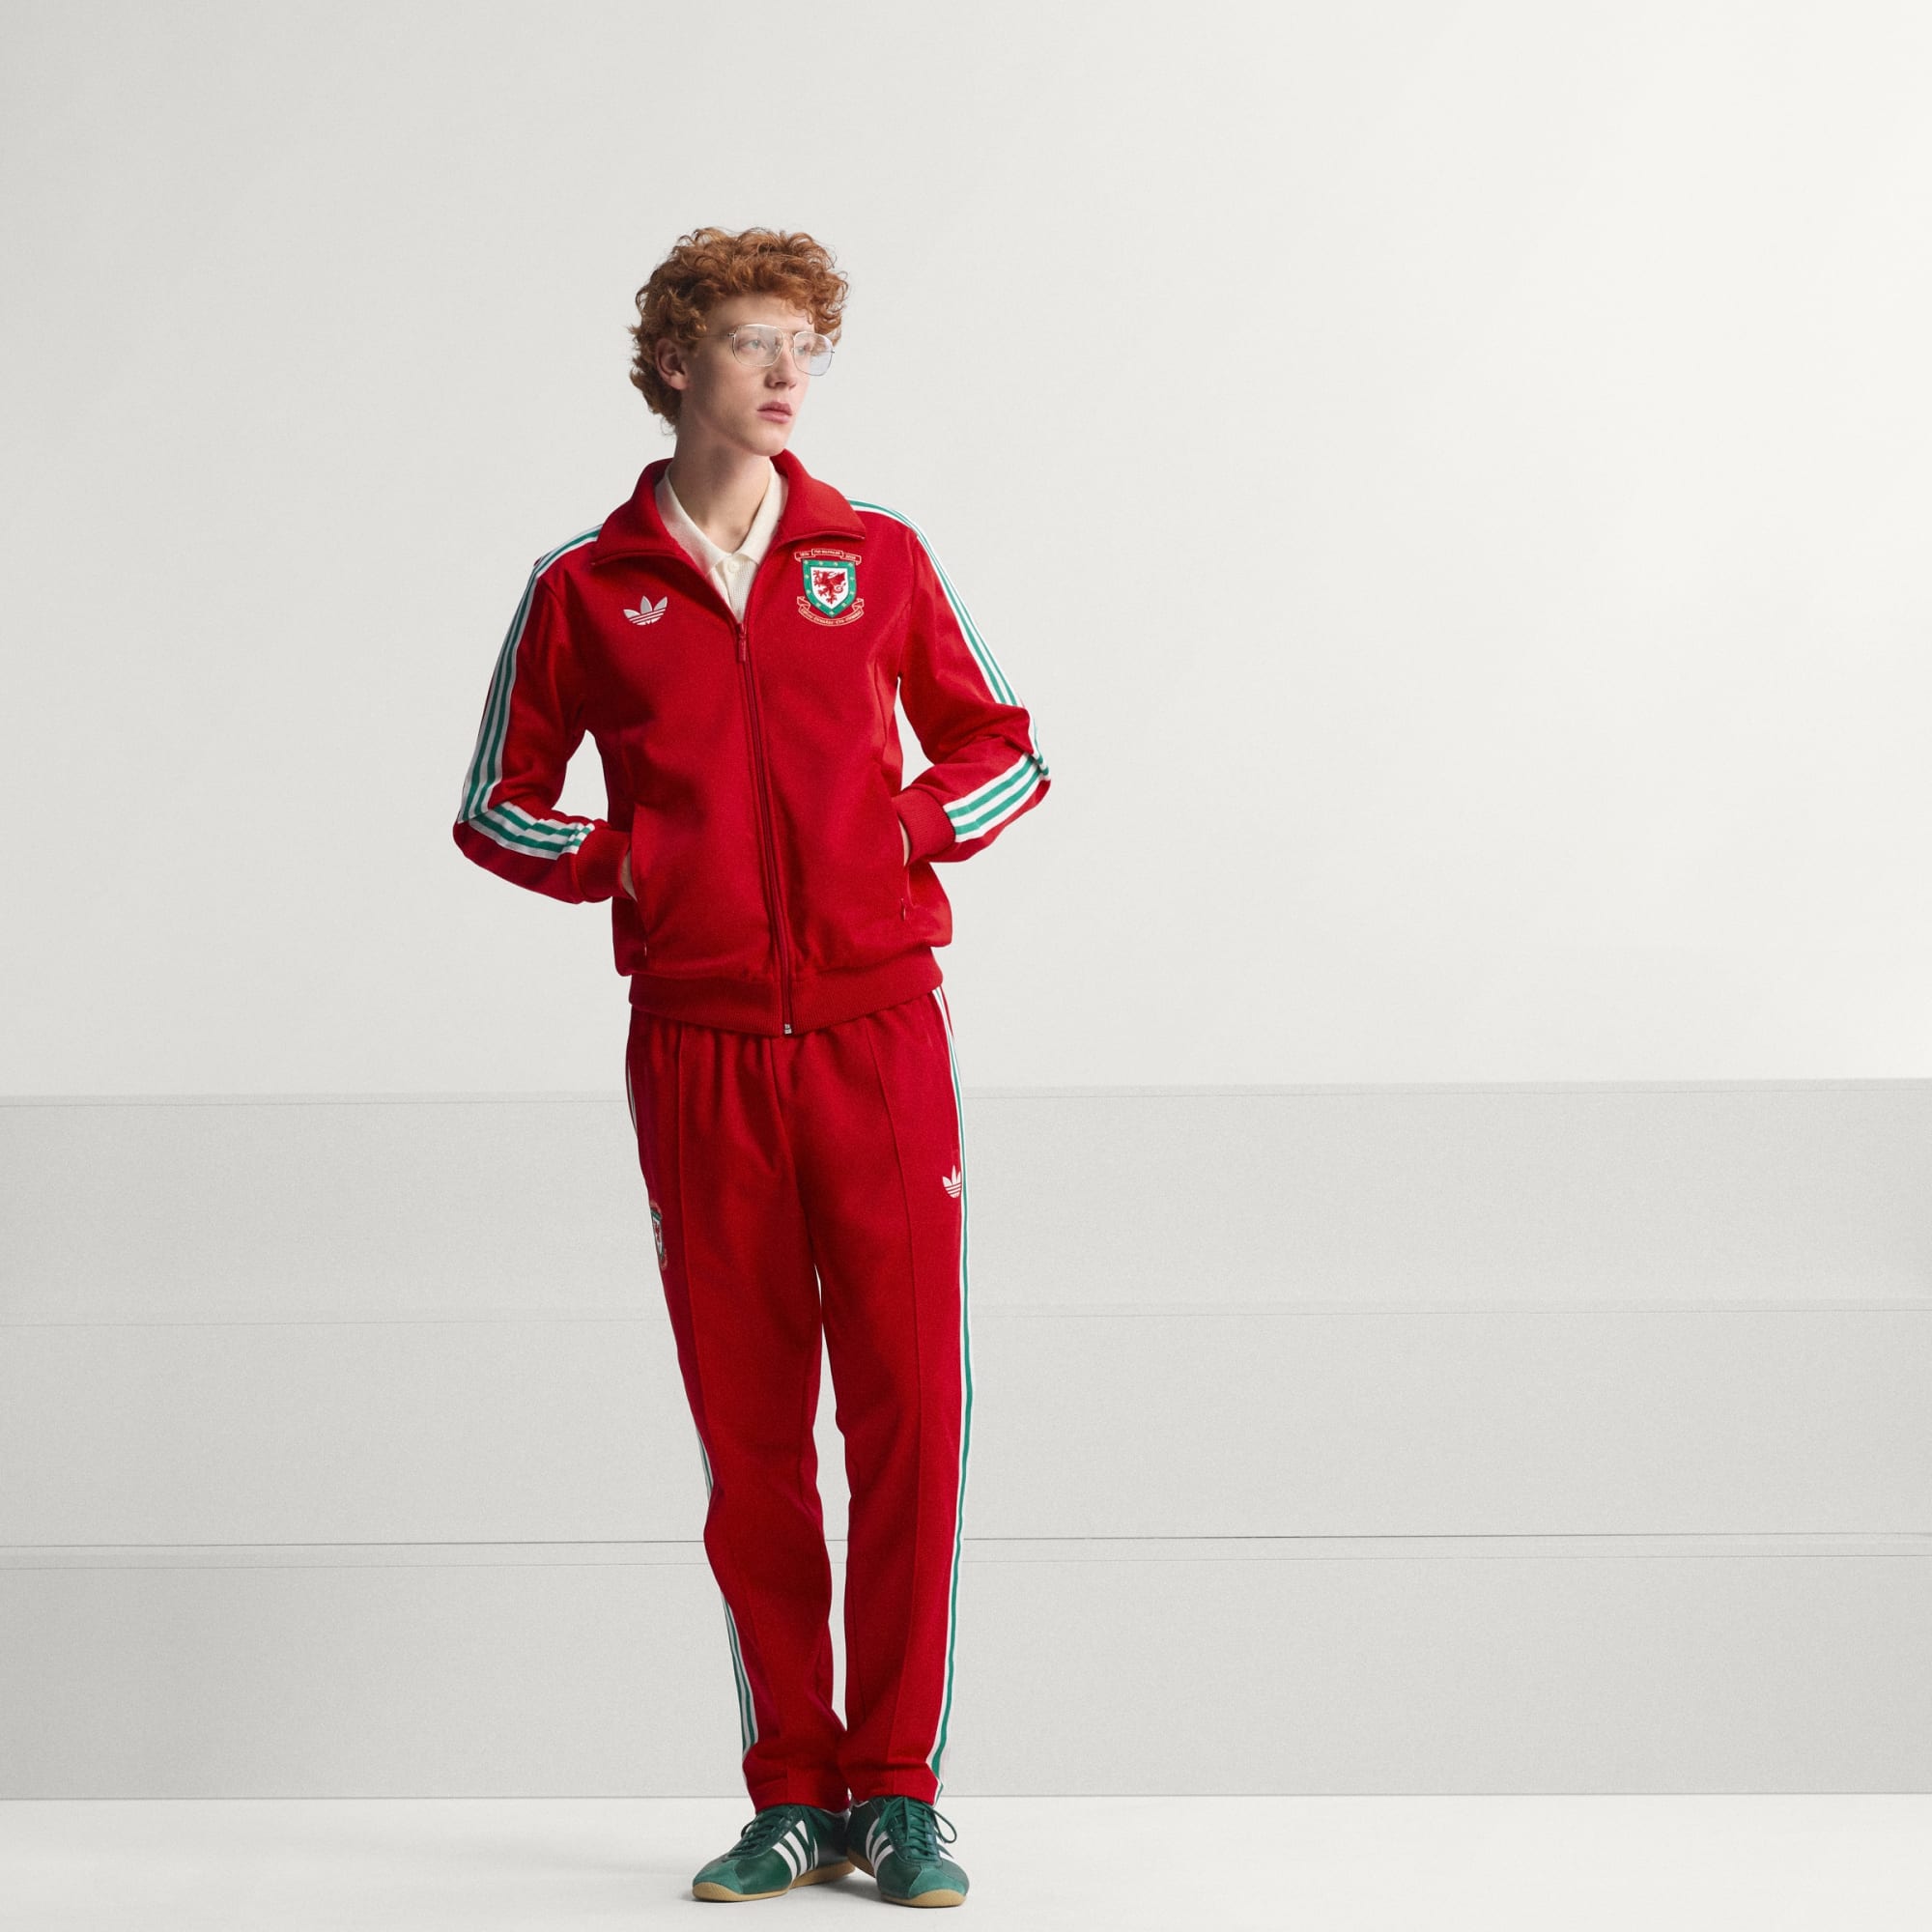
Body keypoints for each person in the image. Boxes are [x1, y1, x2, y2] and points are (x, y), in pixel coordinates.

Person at [451, 225, 1050, 1907]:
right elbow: (496, 804)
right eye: (752, 342)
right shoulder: (586, 589)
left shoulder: (878, 555)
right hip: (700, 1052)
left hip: (878, 1038)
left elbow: (1007, 749)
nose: (790, 374)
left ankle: (900, 1791)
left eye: (809, 345)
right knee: (754, 1434)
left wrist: (897, 836)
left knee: (912, 1412)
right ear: (675, 364)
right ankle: (793, 1790)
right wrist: (629, 866)